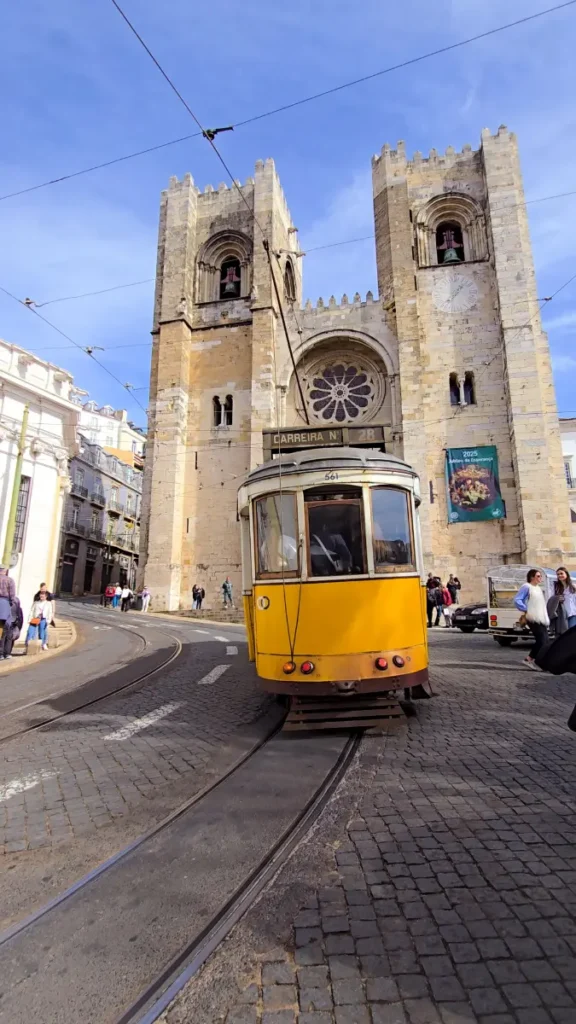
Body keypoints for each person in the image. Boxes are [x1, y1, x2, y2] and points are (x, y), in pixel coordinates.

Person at [514, 568, 550, 670]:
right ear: (532, 577)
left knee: (546, 641)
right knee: (541, 640)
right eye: (538, 576)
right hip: (532, 617)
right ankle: (529, 659)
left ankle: (541, 661)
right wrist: (527, 609)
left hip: (540, 617)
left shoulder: (538, 588)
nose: (540, 578)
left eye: (540, 576)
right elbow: (517, 600)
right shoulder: (527, 587)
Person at [25, 586, 54, 650]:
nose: (42, 596)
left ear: (46, 596)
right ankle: (28, 646)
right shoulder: (36, 603)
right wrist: (29, 619)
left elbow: (50, 612)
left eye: (43, 595)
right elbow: (31, 611)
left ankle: (43, 644)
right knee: (30, 632)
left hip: (43, 619)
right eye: (41, 595)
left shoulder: (48, 603)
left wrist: (48, 620)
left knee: (42, 632)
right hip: (35, 619)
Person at [0, 565, 16, 645]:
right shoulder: (9, 580)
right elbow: (12, 594)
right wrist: (12, 602)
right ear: (5, 571)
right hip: (4, 602)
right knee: (3, 625)